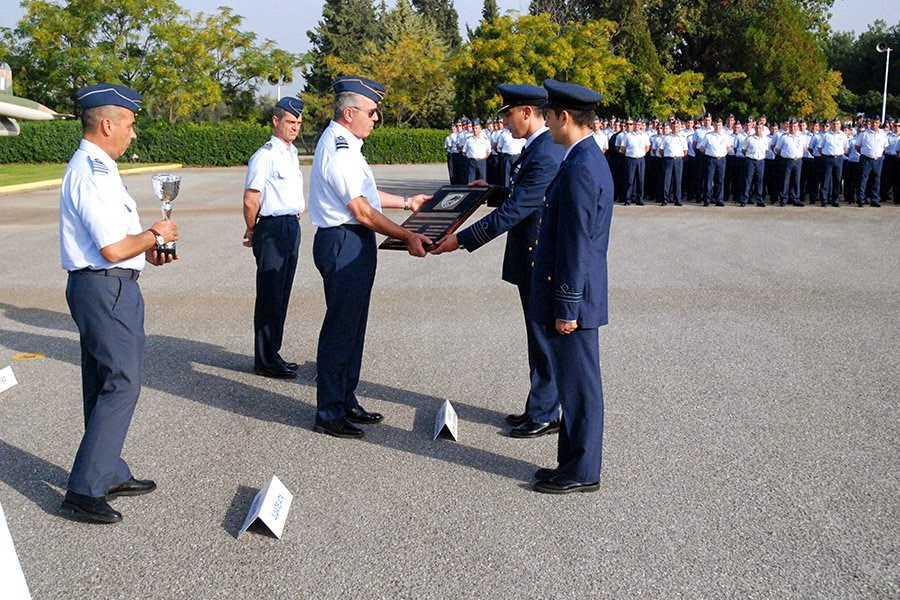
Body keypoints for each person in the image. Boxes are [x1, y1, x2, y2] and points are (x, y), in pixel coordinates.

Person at [59, 83, 179, 523]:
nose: (133, 132)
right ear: (108, 123)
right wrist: (156, 235)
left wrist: (146, 249)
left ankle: (106, 469)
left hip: (108, 284)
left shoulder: (101, 168)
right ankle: (84, 489)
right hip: (104, 286)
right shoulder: (91, 172)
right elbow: (110, 249)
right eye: (129, 123)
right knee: (122, 382)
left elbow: (114, 244)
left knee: (104, 379)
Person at [430, 83, 565, 438]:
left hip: (540, 260)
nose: (503, 121)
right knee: (536, 335)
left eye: (507, 114)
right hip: (529, 258)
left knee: (542, 336)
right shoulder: (536, 148)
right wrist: (486, 190)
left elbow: (517, 209)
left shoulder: (546, 151)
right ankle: (539, 405)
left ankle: (546, 412)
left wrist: (459, 240)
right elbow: (519, 194)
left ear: (526, 112)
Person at [308, 75, 431, 439]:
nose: (376, 118)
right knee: (340, 328)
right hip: (343, 240)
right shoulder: (340, 148)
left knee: (354, 325)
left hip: (353, 240)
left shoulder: (348, 144)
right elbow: (361, 210)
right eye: (372, 112)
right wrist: (407, 233)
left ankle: (346, 399)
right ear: (350, 113)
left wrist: (408, 202)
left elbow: (366, 194)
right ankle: (328, 412)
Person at [530, 79, 612, 495]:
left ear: (564, 117)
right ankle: (572, 462)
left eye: (547, 115)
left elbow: (577, 242)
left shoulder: (581, 166)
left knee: (580, 387)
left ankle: (582, 471)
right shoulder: (583, 158)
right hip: (578, 295)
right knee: (573, 382)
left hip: (576, 300)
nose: (545, 122)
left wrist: (566, 307)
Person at [243, 97, 305, 379]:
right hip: (271, 227)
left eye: (299, 123)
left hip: (290, 225)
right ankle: (265, 359)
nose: (295, 127)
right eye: (291, 122)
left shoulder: (290, 153)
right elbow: (250, 198)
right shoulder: (265, 155)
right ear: (276, 121)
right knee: (270, 294)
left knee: (282, 293)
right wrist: (253, 229)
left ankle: (273, 352)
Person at [856, 116, 889, 207]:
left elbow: (885, 146)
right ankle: (861, 199)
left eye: (876, 122)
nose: (874, 124)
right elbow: (857, 146)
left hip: (878, 159)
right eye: (873, 122)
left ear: (879, 123)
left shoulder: (883, 134)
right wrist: (865, 153)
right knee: (863, 180)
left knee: (876, 180)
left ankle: (874, 200)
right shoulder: (864, 134)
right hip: (866, 159)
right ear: (870, 122)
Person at [699, 117, 732, 206]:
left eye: (719, 125)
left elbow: (728, 148)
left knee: (720, 180)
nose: (718, 126)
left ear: (722, 126)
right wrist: (710, 153)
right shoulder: (708, 135)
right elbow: (701, 147)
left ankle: (719, 200)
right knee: (708, 180)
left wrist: (722, 153)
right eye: (716, 125)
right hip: (710, 160)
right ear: (713, 125)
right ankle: (707, 200)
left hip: (721, 160)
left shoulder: (725, 136)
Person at [817, 117, 849, 207]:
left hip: (838, 158)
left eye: (837, 124)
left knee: (837, 179)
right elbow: (820, 148)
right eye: (834, 124)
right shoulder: (826, 135)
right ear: (831, 125)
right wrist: (826, 154)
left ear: (840, 125)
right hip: (827, 158)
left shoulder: (843, 135)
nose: (835, 126)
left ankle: (835, 200)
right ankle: (824, 200)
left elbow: (845, 148)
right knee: (825, 179)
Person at [774, 118, 805, 206]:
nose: (792, 128)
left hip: (798, 160)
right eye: (791, 126)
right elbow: (777, 149)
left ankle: (795, 198)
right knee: (785, 180)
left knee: (796, 180)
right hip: (786, 161)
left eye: (794, 126)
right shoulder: (784, 137)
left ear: (797, 127)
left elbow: (804, 148)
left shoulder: (801, 136)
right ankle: (783, 199)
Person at [659, 120, 687, 206]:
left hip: (678, 160)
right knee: (666, 180)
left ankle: (677, 200)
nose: (675, 128)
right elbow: (661, 150)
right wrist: (668, 156)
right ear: (671, 127)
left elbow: (685, 151)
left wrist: (678, 156)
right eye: (674, 126)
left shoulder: (682, 138)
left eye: (677, 126)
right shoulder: (666, 137)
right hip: (668, 160)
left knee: (678, 180)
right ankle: (665, 199)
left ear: (680, 127)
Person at [741, 122, 769, 207]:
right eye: (756, 128)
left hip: (760, 161)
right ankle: (744, 200)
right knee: (748, 181)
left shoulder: (765, 139)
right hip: (751, 160)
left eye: (760, 128)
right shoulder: (749, 138)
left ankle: (759, 200)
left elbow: (766, 150)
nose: (758, 130)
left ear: (762, 129)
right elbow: (743, 150)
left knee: (759, 181)